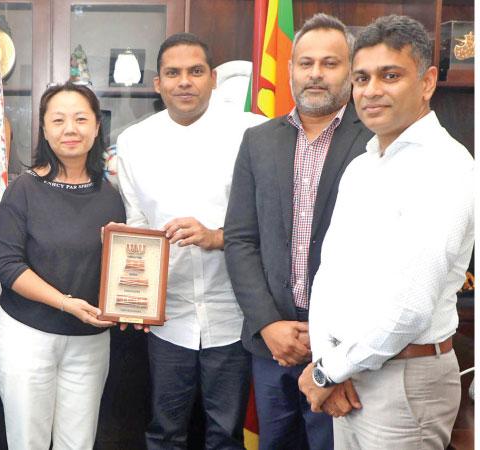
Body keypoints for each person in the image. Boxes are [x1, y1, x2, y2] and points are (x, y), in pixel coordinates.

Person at [299, 15, 474, 449]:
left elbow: (409, 309)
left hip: (404, 380)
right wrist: (330, 363)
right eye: (361, 77)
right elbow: (330, 274)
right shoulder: (363, 165)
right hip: (351, 372)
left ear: (428, 81)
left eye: (390, 75)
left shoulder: (445, 167)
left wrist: (327, 372)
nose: (371, 90)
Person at [224, 14, 373, 449]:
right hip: (273, 346)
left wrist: (330, 336)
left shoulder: (374, 140)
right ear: (289, 69)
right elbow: (240, 239)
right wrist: (268, 323)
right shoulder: (258, 140)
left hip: (346, 349)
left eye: (330, 63)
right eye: (305, 63)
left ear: (350, 70)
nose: (316, 74)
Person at [116, 33, 266, 449]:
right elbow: (136, 226)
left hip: (234, 313)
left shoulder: (253, 133)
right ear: (157, 83)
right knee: (164, 431)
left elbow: (269, 223)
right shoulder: (133, 142)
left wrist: (216, 237)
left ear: (213, 78)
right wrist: (133, 297)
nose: (185, 82)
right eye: (173, 73)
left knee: (226, 434)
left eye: (195, 71)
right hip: (169, 316)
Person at [0, 82, 125, 450]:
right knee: (27, 442)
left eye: (81, 119)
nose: (71, 129)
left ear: (97, 127)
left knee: (78, 443)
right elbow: (6, 265)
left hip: (90, 343)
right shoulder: (24, 189)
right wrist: (66, 303)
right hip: (29, 336)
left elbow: (122, 266)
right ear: (45, 129)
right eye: (59, 120)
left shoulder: (111, 195)